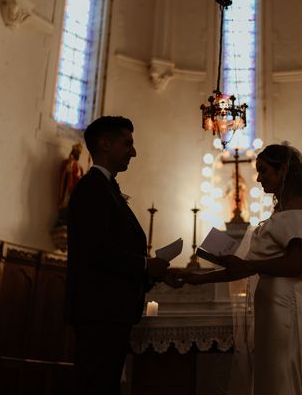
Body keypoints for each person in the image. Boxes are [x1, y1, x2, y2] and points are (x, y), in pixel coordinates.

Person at [179, 144, 302, 395]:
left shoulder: (299, 208)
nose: (258, 178)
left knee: (284, 375)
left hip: (288, 304)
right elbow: (243, 267)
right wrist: (197, 279)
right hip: (272, 303)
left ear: (284, 170)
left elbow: (296, 263)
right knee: (270, 374)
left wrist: (249, 265)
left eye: (264, 171)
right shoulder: (279, 212)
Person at [65, 116, 179, 395]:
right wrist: (145, 264)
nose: (134, 152)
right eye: (128, 144)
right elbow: (96, 251)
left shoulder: (106, 188)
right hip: (100, 311)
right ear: (105, 143)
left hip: (109, 311)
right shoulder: (92, 187)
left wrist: (157, 273)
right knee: (96, 385)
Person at [56, 143, 85, 226]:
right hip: (68, 187)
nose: (78, 155)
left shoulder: (80, 167)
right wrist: (69, 164)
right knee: (66, 201)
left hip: (76, 189)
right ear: (73, 152)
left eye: (79, 153)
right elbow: (65, 173)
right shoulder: (67, 162)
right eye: (77, 153)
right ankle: (63, 219)